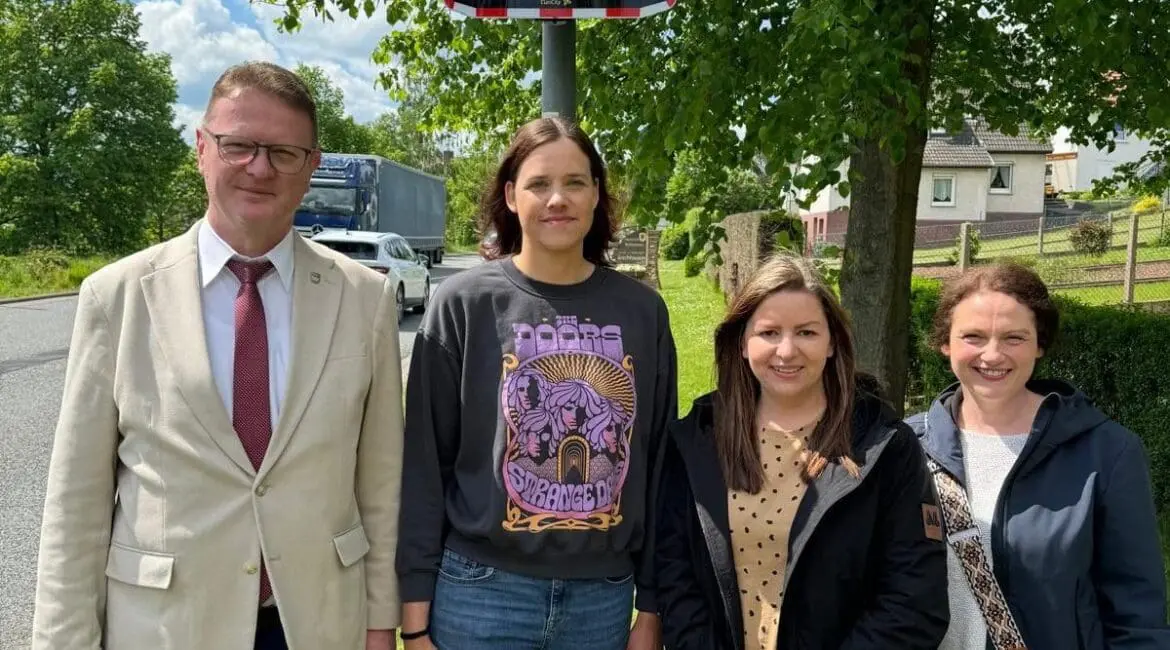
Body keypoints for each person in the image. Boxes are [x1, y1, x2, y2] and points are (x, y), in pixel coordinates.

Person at [30, 61, 403, 650]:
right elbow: (76, 503)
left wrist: (381, 623)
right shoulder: (117, 296)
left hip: (317, 621)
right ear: (201, 148)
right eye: (238, 146)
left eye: (283, 152)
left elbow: (381, 487)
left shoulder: (365, 298)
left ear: (311, 167)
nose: (259, 167)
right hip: (167, 626)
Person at [395, 116, 677, 650]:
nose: (557, 199)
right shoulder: (463, 303)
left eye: (575, 182)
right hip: (480, 592)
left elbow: (659, 461)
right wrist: (414, 619)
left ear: (596, 193)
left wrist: (653, 606)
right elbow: (425, 464)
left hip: (604, 597)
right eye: (539, 183)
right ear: (510, 194)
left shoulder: (642, 312)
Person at [655, 253, 949, 650]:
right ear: (742, 343)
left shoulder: (885, 449)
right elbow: (678, 580)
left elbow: (914, 602)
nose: (787, 350)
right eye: (769, 333)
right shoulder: (696, 442)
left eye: (807, 333)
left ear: (832, 344)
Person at [907, 261, 1170, 649]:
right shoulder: (905, 446)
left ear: (1040, 344)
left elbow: (1137, 614)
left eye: (1014, 338)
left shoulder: (1106, 453)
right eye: (973, 337)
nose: (992, 355)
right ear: (945, 343)